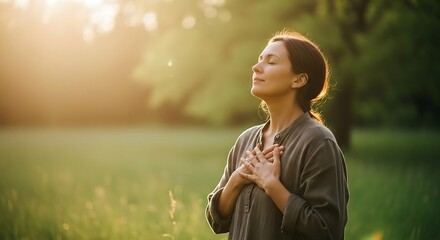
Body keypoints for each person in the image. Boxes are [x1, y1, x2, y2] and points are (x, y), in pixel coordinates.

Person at [205, 30, 349, 240]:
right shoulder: (246, 139)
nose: (256, 67)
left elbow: (328, 231)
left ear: (298, 80)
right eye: (259, 60)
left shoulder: (318, 142)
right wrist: (237, 179)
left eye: (271, 62)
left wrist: (271, 185)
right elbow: (216, 220)